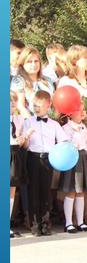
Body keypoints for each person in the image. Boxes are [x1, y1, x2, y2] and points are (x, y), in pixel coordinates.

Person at [23, 90, 69, 236]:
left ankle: (45, 223)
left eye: (40, 105)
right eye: (35, 105)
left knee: (46, 192)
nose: (37, 108)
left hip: (48, 159)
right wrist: (27, 137)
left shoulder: (54, 124)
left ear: (48, 105)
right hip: (32, 158)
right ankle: (35, 225)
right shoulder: (28, 122)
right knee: (33, 192)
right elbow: (24, 146)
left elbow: (63, 141)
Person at [59, 106, 87, 233]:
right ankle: (69, 222)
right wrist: (75, 134)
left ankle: (81, 222)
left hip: (83, 158)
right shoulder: (65, 128)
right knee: (71, 191)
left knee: (81, 192)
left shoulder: (85, 128)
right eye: (79, 110)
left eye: (84, 110)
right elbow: (65, 145)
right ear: (70, 114)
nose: (83, 113)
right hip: (71, 158)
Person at [11, 46, 55, 117]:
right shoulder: (18, 81)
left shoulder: (48, 80)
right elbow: (20, 107)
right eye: (29, 62)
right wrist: (32, 123)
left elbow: (54, 105)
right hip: (29, 122)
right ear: (22, 64)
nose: (33, 64)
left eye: (36, 61)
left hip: (50, 122)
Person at [10, 92, 28, 238]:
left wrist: (24, 138)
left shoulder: (19, 119)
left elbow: (20, 139)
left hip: (15, 153)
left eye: (13, 101)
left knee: (11, 191)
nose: (11, 104)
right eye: (8, 101)